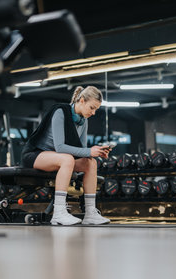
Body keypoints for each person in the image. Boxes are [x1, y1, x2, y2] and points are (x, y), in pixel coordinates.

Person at [21, 86, 111, 225]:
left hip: (58, 158)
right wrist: (88, 151)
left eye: (96, 110)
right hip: (35, 154)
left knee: (90, 162)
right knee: (67, 158)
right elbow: (60, 147)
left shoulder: (83, 121)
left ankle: (90, 213)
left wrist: (96, 152)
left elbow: (81, 149)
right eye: (92, 108)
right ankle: (59, 213)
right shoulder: (60, 112)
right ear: (82, 101)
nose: (93, 113)